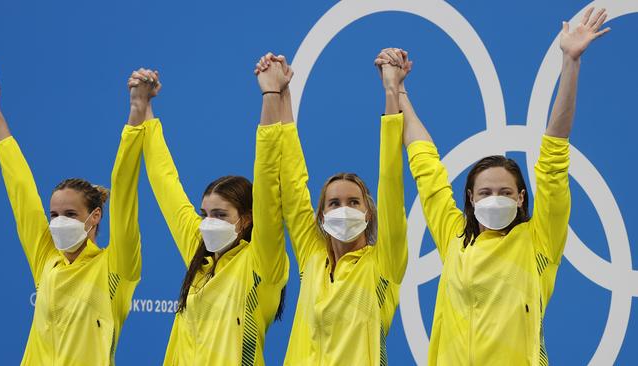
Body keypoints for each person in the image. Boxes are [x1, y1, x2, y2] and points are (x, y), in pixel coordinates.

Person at [377, 7, 610, 365]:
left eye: (504, 192)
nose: (495, 199)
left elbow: (553, 159)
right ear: (470, 199)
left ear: (521, 198)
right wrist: (399, 91)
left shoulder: (540, 239)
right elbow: (425, 166)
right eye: (485, 192)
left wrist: (571, 63)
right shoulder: (454, 236)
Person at [0, 62, 149, 364]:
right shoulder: (46, 261)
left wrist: (137, 114)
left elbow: (125, 194)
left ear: (96, 216)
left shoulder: (116, 268)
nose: (59, 222)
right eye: (54, 214)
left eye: (70, 214)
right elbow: (20, 188)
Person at [254, 48, 408, 364]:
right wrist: (280, 94)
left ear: (369, 212)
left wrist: (392, 91)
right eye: (334, 203)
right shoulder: (312, 258)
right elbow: (292, 182)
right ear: (321, 216)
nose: (343, 209)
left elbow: (391, 180)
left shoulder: (384, 265)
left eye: (353, 202)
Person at [133, 58, 289, 364]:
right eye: (205, 214)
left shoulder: (263, 262)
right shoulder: (199, 253)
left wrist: (272, 96)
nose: (208, 223)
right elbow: (166, 183)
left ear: (246, 219)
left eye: (220, 215)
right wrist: (145, 109)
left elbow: (270, 180)